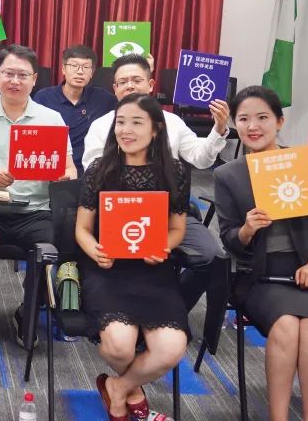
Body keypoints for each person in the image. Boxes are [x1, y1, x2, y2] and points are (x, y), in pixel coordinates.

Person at [214, 86, 308, 421]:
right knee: (285, 326)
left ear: (280, 122)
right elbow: (229, 240)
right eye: (244, 119)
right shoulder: (228, 175)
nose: (253, 126)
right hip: (262, 277)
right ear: (235, 124)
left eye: (262, 118)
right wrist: (247, 229)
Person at [82, 53, 227, 311]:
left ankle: (174, 306)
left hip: (169, 212)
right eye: (123, 82)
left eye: (136, 80)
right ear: (114, 88)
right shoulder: (102, 126)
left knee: (211, 256)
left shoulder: (171, 122)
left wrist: (218, 130)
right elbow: (94, 173)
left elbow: (201, 158)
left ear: (150, 84)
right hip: (118, 214)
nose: (130, 86)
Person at [76, 93, 189, 421]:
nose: (126, 130)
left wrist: (164, 247)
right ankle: (134, 390)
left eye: (137, 123)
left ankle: (118, 386)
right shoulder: (100, 169)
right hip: (107, 269)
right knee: (119, 346)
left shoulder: (175, 171)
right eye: (121, 122)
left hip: (153, 270)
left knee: (170, 349)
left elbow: (177, 228)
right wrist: (94, 250)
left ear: (156, 129)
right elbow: (82, 229)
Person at [0, 44, 76, 346]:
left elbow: (70, 169)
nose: (15, 80)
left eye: (23, 75)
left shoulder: (51, 118)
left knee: (48, 252)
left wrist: (62, 176)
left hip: (35, 210)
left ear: (34, 79)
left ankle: (27, 311)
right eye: (8, 73)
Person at [33, 45, 117, 174]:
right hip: (53, 169)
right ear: (63, 69)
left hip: (91, 172)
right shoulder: (44, 97)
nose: (80, 72)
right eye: (74, 66)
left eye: (86, 67)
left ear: (92, 72)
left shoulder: (104, 99)